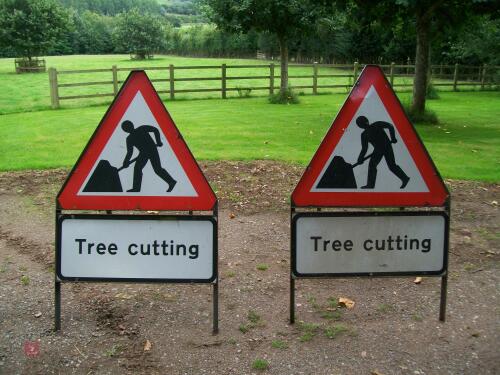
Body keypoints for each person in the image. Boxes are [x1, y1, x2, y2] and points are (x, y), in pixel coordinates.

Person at [121, 120, 177, 192]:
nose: (128, 129)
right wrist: (126, 161)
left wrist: (158, 141)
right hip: (143, 153)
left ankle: (171, 182)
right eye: (126, 128)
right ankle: (136, 188)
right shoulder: (129, 138)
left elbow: (155, 130)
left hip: (152, 150)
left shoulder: (141, 129)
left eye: (128, 127)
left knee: (157, 169)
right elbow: (130, 152)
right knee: (137, 169)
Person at [356, 115, 410, 189]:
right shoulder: (364, 135)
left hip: (387, 147)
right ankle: (370, 185)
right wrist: (360, 158)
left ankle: (405, 178)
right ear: (360, 126)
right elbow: (364, 148)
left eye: (363, 123)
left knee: (391, 165)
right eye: (361, 124)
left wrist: (393, 137)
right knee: (372, 166)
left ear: (366, 122)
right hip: (377, 150)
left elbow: (390, 126)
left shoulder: (377, 124)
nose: (363, 125)